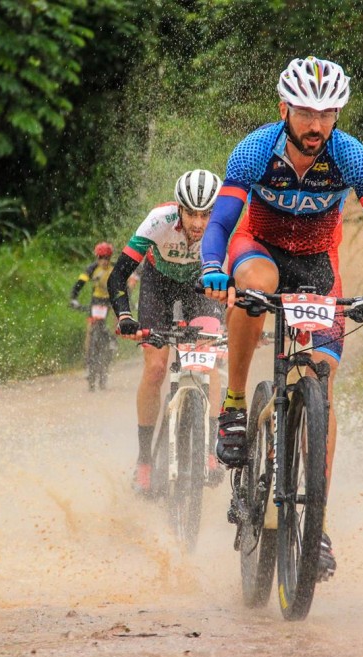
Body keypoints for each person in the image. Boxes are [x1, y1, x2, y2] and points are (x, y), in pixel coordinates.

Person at [200, 56, 363, 579]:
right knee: (256, 287)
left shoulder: (351, 155)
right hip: (260, 248)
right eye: (305, 112)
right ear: (284, 109)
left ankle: (314, 523)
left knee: (322, 375)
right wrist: (212, 267)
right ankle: (233, 405)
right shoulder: (255, 149)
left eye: (327, 113)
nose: (316, 125)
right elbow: (223, 222)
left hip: (318, 263)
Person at [108, 169, 227, 495]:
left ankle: (209, 449)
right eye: (191, 213)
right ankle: (145, 460)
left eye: (206, 214)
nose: (199, 223)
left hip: (200, 287)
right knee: (157, 368)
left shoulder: (224, 226)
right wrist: (125, 317)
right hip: (157, 285)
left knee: (208, 357)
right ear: (179, 208)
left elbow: (239, 277)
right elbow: (117, 276)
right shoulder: (158, 220)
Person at [70, 242, 116, 391]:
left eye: (107, 258)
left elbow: (124, 287)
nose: (104, 261)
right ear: (97, 257)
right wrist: (73, 298)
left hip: (110, 300)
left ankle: (114, 338)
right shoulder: (91, 268)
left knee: (118, 313)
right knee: (90, 330)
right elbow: (79, 283)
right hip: (96, 301)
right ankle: (88, 358)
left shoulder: (114, 268)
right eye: (101, 257)